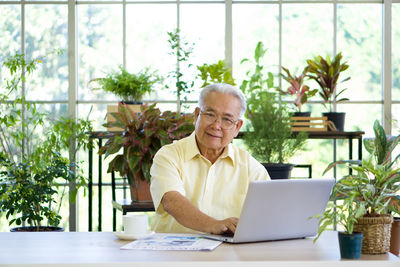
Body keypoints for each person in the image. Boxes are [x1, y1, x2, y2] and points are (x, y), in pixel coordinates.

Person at [150, 83, 270, 235]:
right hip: (174, 253)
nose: (216, 125)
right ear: (196, 115)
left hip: (228, 255)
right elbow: (171, 201)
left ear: (237, 127)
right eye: (210, 115)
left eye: (227, 119)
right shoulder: (169, 156)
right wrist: (214, 225)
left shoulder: (252, 169)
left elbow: (268, 215)